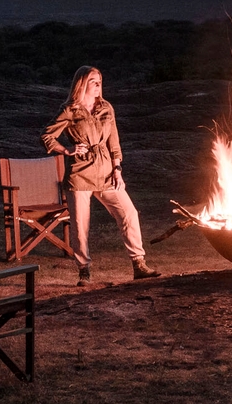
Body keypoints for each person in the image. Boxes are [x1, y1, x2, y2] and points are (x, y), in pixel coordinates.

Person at [41, 65, 159, 285]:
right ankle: (84, 270)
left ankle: (138, 264)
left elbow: (113, 141)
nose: (98, 85)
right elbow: (47, 136)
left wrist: (117, 169)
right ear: (82, 83)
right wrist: (68, 150)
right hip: (80, 173)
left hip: (106, 171)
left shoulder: (106, 107)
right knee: (80, 225)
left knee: (129, 213)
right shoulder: (70, 110)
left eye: (100, 81)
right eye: (94, 81)